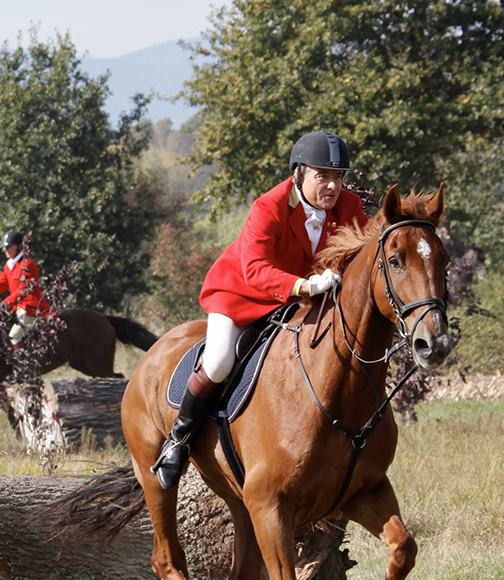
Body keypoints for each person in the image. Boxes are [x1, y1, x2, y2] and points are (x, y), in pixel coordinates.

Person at [151, 130, 369, 489]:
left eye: (338, 177)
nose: (333, 186)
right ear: (298, 174)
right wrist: (303, 285)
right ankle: (178, 440)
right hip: (240, 295)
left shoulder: (348, 206)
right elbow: (255, 270)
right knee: (220, 360)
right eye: (323, 176)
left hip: (300, 301)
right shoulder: (269, 206)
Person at [0, 229, 53, 346]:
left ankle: (23, 364)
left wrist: (4, 304)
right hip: (16, 309)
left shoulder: (28, 264)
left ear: (19, 246)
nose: (6, 250)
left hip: (31, 309)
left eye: (9, 247)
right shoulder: (10, 266)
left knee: (15, 336)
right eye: (5, 247)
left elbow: (24, 289)